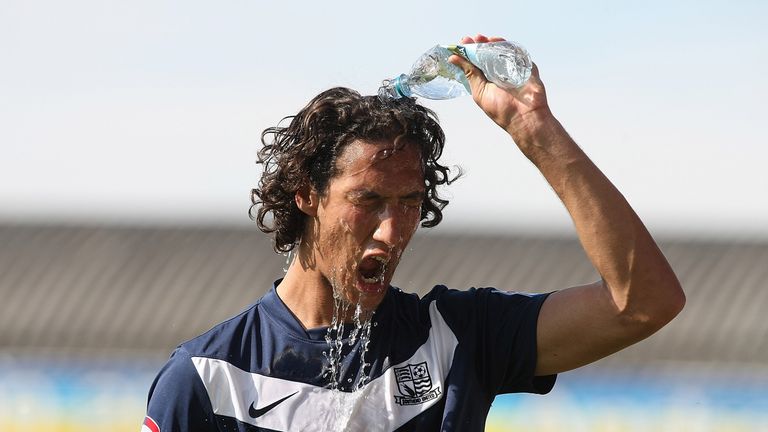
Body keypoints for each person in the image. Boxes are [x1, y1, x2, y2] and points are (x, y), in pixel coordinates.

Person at [141, 34, 685, 432]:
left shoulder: (461, 338)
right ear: (306, 194)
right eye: (368, 201)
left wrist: (534, 130)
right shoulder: (206, 379)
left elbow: (643, 302)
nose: (391, 230)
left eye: (409, 203)